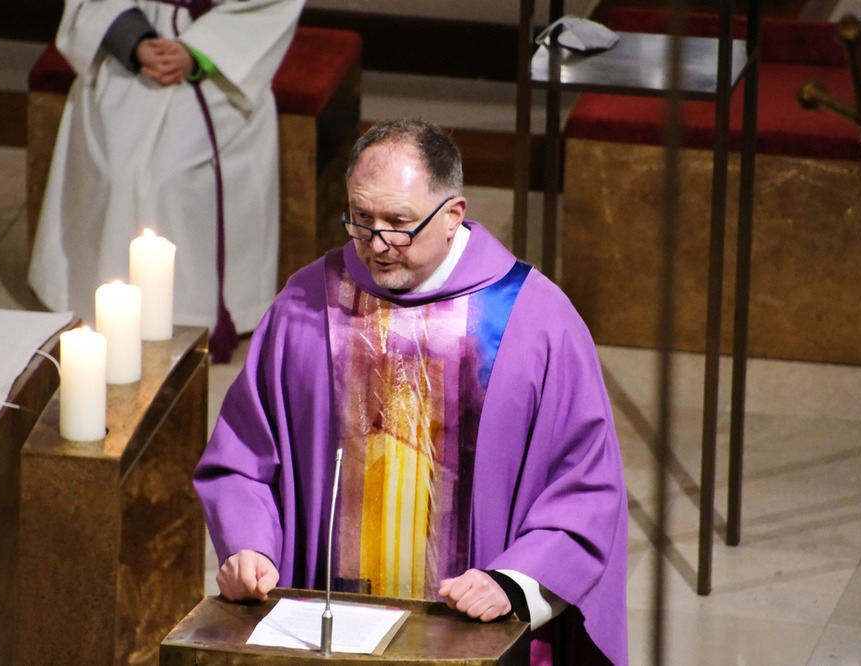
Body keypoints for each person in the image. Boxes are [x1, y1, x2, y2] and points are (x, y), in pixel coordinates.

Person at [194, 119, 628, 664]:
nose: (377, 244)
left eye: (399, 223)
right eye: (361, 218)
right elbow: (242, 457)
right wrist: (251, 547)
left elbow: (587, 485)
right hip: (325, 635)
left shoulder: (534, 320)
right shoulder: (307, 306)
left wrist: (514, 583)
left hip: (475, 632)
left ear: (453, 214)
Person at [29, 0, 305, 362]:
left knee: (170, 177)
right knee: (118, 170)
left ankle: (190, 315)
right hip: (128, 57)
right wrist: (133, 40)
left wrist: (199, 52)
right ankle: (100, 301)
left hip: (218, 70)